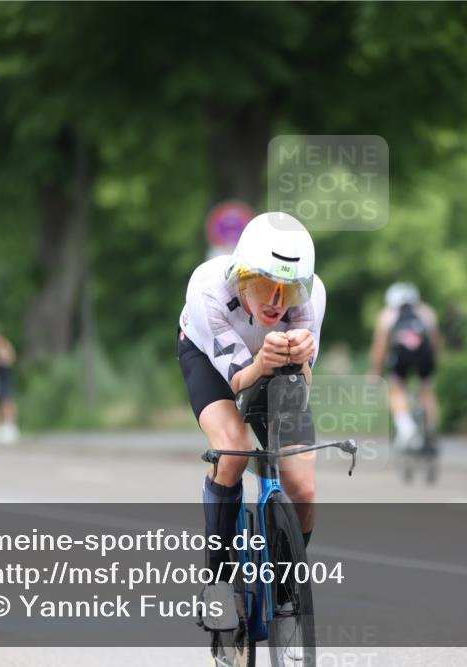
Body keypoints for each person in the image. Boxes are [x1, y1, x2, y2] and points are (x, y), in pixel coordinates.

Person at [177, 211, 325, 630]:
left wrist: (299, 359)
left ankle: (285, 585)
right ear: (241, 275)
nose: (277, 300)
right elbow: (239, 383)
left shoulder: (311, 298)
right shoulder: (206, 292)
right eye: (263, 284)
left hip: (272, 363)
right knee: (234, 448)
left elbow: (303, 382)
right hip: (212, 361)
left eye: (290, 288)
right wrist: (262, 360)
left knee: (303, 484)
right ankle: (218, 584)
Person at [369, 282, 439, 449]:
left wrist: (376, 370)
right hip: (425, 355)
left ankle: (406, 427)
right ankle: (430, 430)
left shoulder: (388, 314)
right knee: (427, 391)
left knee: (396, 388)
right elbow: (435, 340)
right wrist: (434, 363)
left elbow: (380, 346)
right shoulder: (426, 311)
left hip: (402, 355)